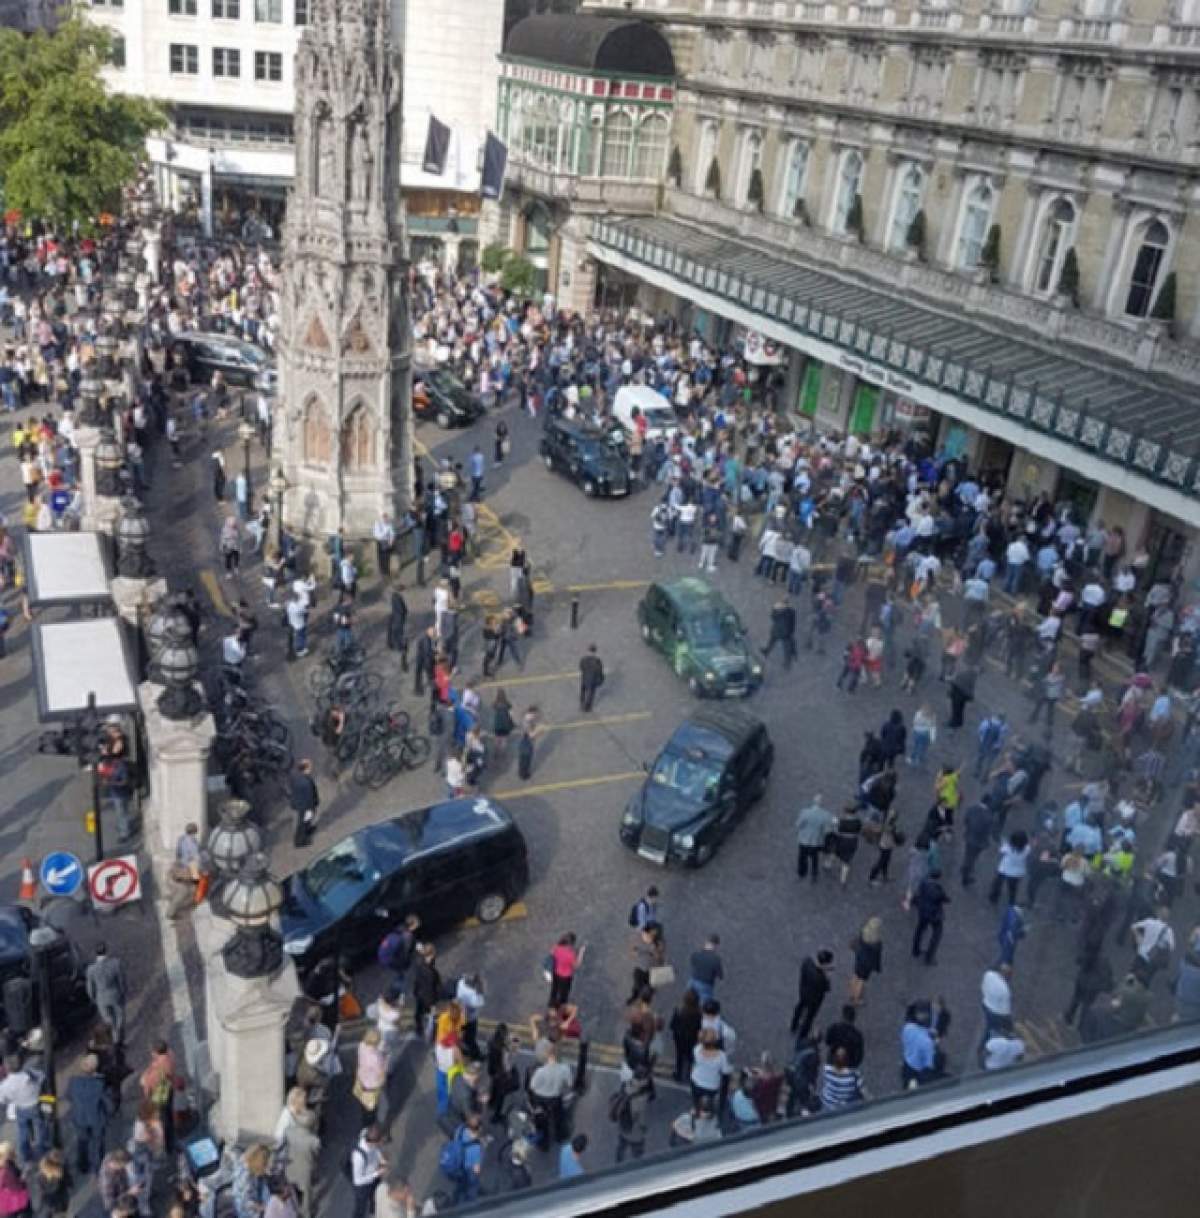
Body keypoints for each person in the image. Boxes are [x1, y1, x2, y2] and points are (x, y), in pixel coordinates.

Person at [66, 1054, 113, 1175]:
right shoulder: (100, 1084)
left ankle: (82, 1166)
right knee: (97, 1144)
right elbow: (109, 1104)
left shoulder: (73, 1081)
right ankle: (97, 1168)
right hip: (97, 1118)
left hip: (79, 1117)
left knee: (82, 1142)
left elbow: (68, 1096)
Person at [85, 943, 127, 1046]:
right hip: (115, 995)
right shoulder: (116, 963)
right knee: (120, 1017)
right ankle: (119, 1039)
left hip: (101, 998)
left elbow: (90, 987)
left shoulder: (91, 969)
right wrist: (123, 992)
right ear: (106, 951)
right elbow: (121, 980)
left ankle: (114, 1037)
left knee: (108, 1019)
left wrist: (93, 998)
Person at [791, 949, 833, 1038]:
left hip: (803, 992)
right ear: (825, 964)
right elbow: (827, 988)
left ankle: (793, 1025)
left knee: (800, 1007)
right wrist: (826, 975)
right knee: (809, 1017)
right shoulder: (821, 978)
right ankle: (803, 1034)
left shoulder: (807, 962)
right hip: (814, 999)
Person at [912, 868, 950, 965]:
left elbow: (916, 895)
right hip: (934, 914)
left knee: (919, 930)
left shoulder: (923, 883)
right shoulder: (938, 889)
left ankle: (915, 950)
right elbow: (946, 899)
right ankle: (929, 957)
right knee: (937, 935)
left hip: (923, 911)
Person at [348, 1126, 387, 1218]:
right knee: (360, 1209)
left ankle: (373, 1213)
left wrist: (381, 1159)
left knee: (376, 1197)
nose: (381, 1143)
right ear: (373, 1142)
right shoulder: (359, 1157)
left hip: (374, 1177)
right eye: (380, 1142)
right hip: (363, 1187)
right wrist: (377, 1173)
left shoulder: (368, 1138)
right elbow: (358, 1180)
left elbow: (375, 1150)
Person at [795, 795, 835, 882]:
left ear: (813, 802)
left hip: (804, 840)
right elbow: (828, 829)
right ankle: (814, 874)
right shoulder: (825, 814)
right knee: (814, 858)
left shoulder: (805, 812)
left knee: (802, 857)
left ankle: (802, 873)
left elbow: (798, 825)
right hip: (816, 841)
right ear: (822, 804)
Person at [848, 917, 883, 1006]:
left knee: (855, 975)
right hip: (867, 963)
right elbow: (876, 957)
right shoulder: (876, 942)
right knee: (861, 980)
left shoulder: (863, 932)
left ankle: (851, 993)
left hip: (859, 958)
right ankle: (856, 1000)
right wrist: (877, 967)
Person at [30, 1148, 70, 1217]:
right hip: (61, 1202)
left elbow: (42, 1194)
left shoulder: (40, 1178)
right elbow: (66, 1184)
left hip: (51, 1204)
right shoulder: (59, 1174)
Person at [290, 759, 320, 848]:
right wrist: (313, 805)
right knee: (303, 822)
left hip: (300, 804)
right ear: (305, 768)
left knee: (306, 820)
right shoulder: (306, 782)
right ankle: (300, 841)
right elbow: (309, 796)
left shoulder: (297, 776)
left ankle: (307, 830)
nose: (311, 768)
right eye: (310, 766)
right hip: (306, 806)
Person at [579, 644, 605, 712]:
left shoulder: (584, 659)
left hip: (584, 678)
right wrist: (601, 678)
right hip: (593, 679)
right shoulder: (597, 661)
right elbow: (599, 671)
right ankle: (587, 707)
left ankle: (582, 702)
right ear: (595, 652)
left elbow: (581, 667)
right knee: (591, 693)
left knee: (583, 690)